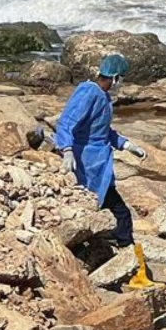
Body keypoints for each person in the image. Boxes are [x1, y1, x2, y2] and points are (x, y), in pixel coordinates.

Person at [56, 54, 147, 249]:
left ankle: (110, 240)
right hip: (85, 160)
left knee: (104, 202)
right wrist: (67, 149)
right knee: (118, 210)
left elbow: (102, 130)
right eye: (121, 78)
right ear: (114, 77)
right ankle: (126, 247)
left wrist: (126, 145)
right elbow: (66, 122)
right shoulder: (88, 93)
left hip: (99, 160)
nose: (120, 82)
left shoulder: (103, 97)